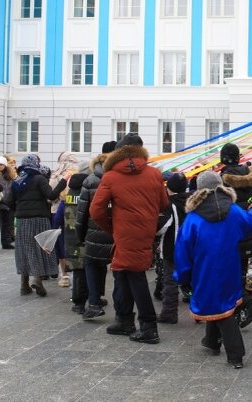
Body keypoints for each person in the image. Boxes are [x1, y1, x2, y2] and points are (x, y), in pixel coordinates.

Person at [174, 171, 252, 368]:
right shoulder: (232, 210)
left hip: (204, 270)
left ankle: (236, 355)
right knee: (220, 304)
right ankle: (211, 341)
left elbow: (183, 249)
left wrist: (182, 275)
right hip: (230, 267)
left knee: (220, 308)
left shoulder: (192, 218)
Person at [90, 133, 169, 344]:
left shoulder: (111, 176)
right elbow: (163, 203)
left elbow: (96, 210)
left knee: (135, 276)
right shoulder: (154, 174)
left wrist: (113, 227)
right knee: (123, 273)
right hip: (145, 231)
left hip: (124, 233)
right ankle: (124, 319)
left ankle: (148, 325)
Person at [219, 142, 252, 327]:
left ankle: (245, 305)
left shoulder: (222, 180)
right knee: (240, 274)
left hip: (228, 234)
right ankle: (242, 310)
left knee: (227, 275)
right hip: (248, 233)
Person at [12, 154, 67, 296]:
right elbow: (52, 195)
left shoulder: (17, 180)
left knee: (24, 249)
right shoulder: (39, 178)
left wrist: (20, 209)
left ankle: (24, 285)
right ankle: (37, 279)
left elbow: (7, 200)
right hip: (39, 219)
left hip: (22, 220)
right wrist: (63, 182)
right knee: (42, 247)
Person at [77, 141, 116, 320]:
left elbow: (82, 211)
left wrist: (80, 234)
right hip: (117, 230)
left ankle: (94, 303)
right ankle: (122, 306)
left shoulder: (91, 179)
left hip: (94, 230)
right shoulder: (120, 177)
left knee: (92, 263)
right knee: (116, 268)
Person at [155, 173, 190, 324]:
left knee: (170, 282)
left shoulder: (170, 204)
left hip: (173, 248)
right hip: (191, 248)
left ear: (168, 188)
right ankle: (200, 310)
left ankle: (169, 313)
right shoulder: (193, 202)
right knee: (194, 280)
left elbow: (162, 227)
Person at [63, 168, 90, 314]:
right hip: (84, 237)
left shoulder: (69, 196)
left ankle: (78, 301)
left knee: (77, 270)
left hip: (70, 238)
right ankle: (83, 301)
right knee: (87, 270)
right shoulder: (86, 196)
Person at [51, 151, 78, 286]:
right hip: (75, 210)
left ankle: (65, 275)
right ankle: (76, 269)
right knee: (74, 240)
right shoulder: (79, 172)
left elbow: (50, 193)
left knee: (60, 242)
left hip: (57, 209)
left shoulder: (56, 173)